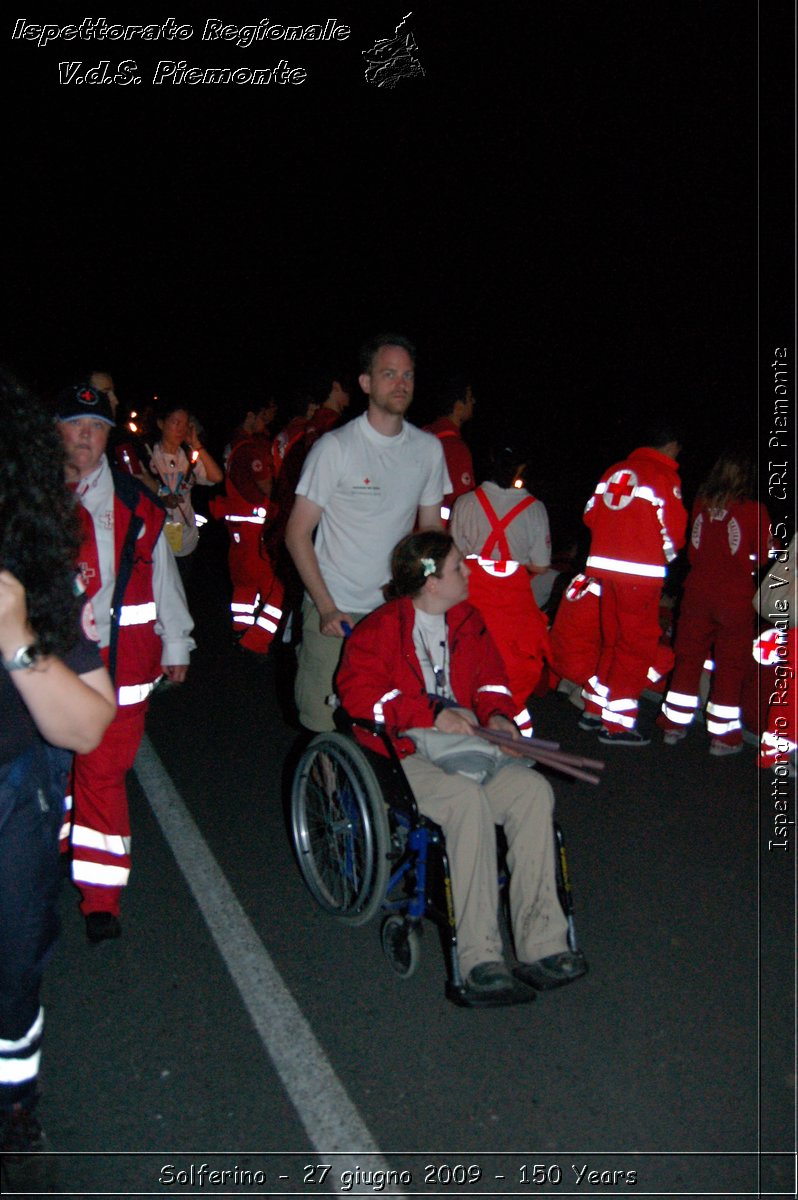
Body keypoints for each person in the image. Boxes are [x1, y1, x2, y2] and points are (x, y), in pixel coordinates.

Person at [336, 530, 587, 996]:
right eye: (458, 567)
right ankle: (480, 959)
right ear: (431, 582)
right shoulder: (381, 630)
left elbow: (492, 680)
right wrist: (429, 713)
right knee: (467, 804)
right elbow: (359, 699)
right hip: (406, 752)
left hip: (467, 747)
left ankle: (543, 944)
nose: (469, 572)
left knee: (535, 793)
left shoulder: (469, 619)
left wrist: (498, 715)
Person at [1, 370, 116, 1187]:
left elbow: (85, 722)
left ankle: (14, 1104)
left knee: (12, 964)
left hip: (15, 786)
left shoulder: (37, 550)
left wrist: (13, 633)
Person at [56, 383, 196, 941]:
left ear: (109, 437)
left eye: (96, 427)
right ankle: (62, 844)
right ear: (56, 433)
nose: (86, 436)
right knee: (59, 771)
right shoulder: (27, 502)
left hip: (121, 667)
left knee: (102, 773)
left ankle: (101, 899)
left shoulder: (136, 504)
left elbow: (163, 574)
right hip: (50, 666)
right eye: (75, 425)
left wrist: (177, 642)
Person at [285, 334, 450, 732]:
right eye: (389, 374)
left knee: (386, 719)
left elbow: (430, 532)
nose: (400, 384)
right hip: (336, 606)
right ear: (366, 383)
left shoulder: (428, 450)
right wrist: (324, 606)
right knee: (324, 722)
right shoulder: (336, 447)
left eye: (407, 375)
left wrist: (430, 589)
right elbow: (297, 533)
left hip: (391, 613)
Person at [656, 450, 772, 755]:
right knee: (730, 667)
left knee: (687, 660)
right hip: (734, 598)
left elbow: (693, 551)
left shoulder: (701, 505)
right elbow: (760, 556)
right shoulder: (754, 510)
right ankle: (723, 738)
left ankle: (673, 726)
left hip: (696, 593)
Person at [580, 426, 687, 745]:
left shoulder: (615, 470)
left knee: (611, 640)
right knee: (635, 646)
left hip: (604, 569)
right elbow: (674, 530)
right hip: (639, 575)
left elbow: (589, 514)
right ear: (671, 445)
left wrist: (610, 542)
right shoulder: (663, 476)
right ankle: (617, 725)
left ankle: (593, 708)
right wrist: (660, 556)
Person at [450, 443, 552, 735]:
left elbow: (456, 553)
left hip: (472, 596)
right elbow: (541, 566)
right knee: (515, 670)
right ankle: (517, 743)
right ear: (521, 469)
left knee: (468, 663)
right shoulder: (535, 508)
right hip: (514, 604)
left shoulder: (465, 503)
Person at [210, 403, 284, 654]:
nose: (267, 422)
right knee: (277, 587)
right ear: (250, 415)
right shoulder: (250, 449)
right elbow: (267, 487)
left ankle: (240, 629)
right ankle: (257, 640)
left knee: (244, 584)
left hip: (237, 530)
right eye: (264, 416)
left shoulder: (233, 446)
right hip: (254, 532)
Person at [147, 400, 223, 583]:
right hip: (157, 539)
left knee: (180, 593)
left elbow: (216, 477)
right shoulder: (150, 455)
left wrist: (196, 444)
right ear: (161, 423)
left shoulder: (187, 458)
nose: (181, 429)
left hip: (186, 539)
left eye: (185, 424)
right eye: (175, 422)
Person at [87, 369, 158, 491]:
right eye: (105, 393)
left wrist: (154, 489)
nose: (115, 400)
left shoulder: (123, 439)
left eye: (113, 393)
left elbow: (148, 483)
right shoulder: (69, 446)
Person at [423, 375, 476, 519]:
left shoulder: (422, 436)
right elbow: (462, 507)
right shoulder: (455, 448)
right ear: (458, 407)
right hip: (438, 535)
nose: (473, 402)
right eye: (470, 397)